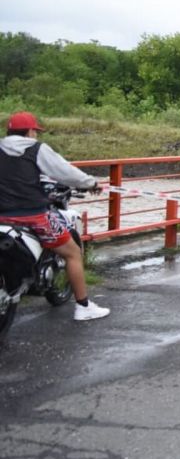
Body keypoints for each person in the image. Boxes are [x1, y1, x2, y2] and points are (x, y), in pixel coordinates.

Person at [0, 111, 108, 321]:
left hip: (1, 216)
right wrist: (91, 183)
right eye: (35, 132)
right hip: (31, 215)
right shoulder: (36, 149)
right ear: (30, 131)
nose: (36, 135)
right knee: (73, 253)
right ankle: (83, 306)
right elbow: (64, 172)